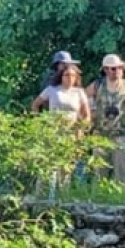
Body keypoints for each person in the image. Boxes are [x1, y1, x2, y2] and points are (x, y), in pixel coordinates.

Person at [31, 63, 92, 198]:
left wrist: (81, 128)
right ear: (61, 76)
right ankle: (41, 196)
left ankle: (63, 197)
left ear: (76, 78)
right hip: (53, 131)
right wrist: (39, 123)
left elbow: (86, 114)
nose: (69, 78)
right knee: (49, 164)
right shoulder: (52, 89)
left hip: (72, 133)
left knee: (66, 167)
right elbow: (35, 104)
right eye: (66, 75)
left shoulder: (79, 92)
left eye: (72, 76)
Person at [84, 54, 125, 186]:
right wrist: (90, 113)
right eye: (113, 68)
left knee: (121, 173)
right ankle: (97, 201)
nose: (117, 71)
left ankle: (121, 202)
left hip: (121, 136)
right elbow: (81, 99)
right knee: (99, 172)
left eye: (119, 68)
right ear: (105, 69)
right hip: (100, 135)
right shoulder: (97, 85)